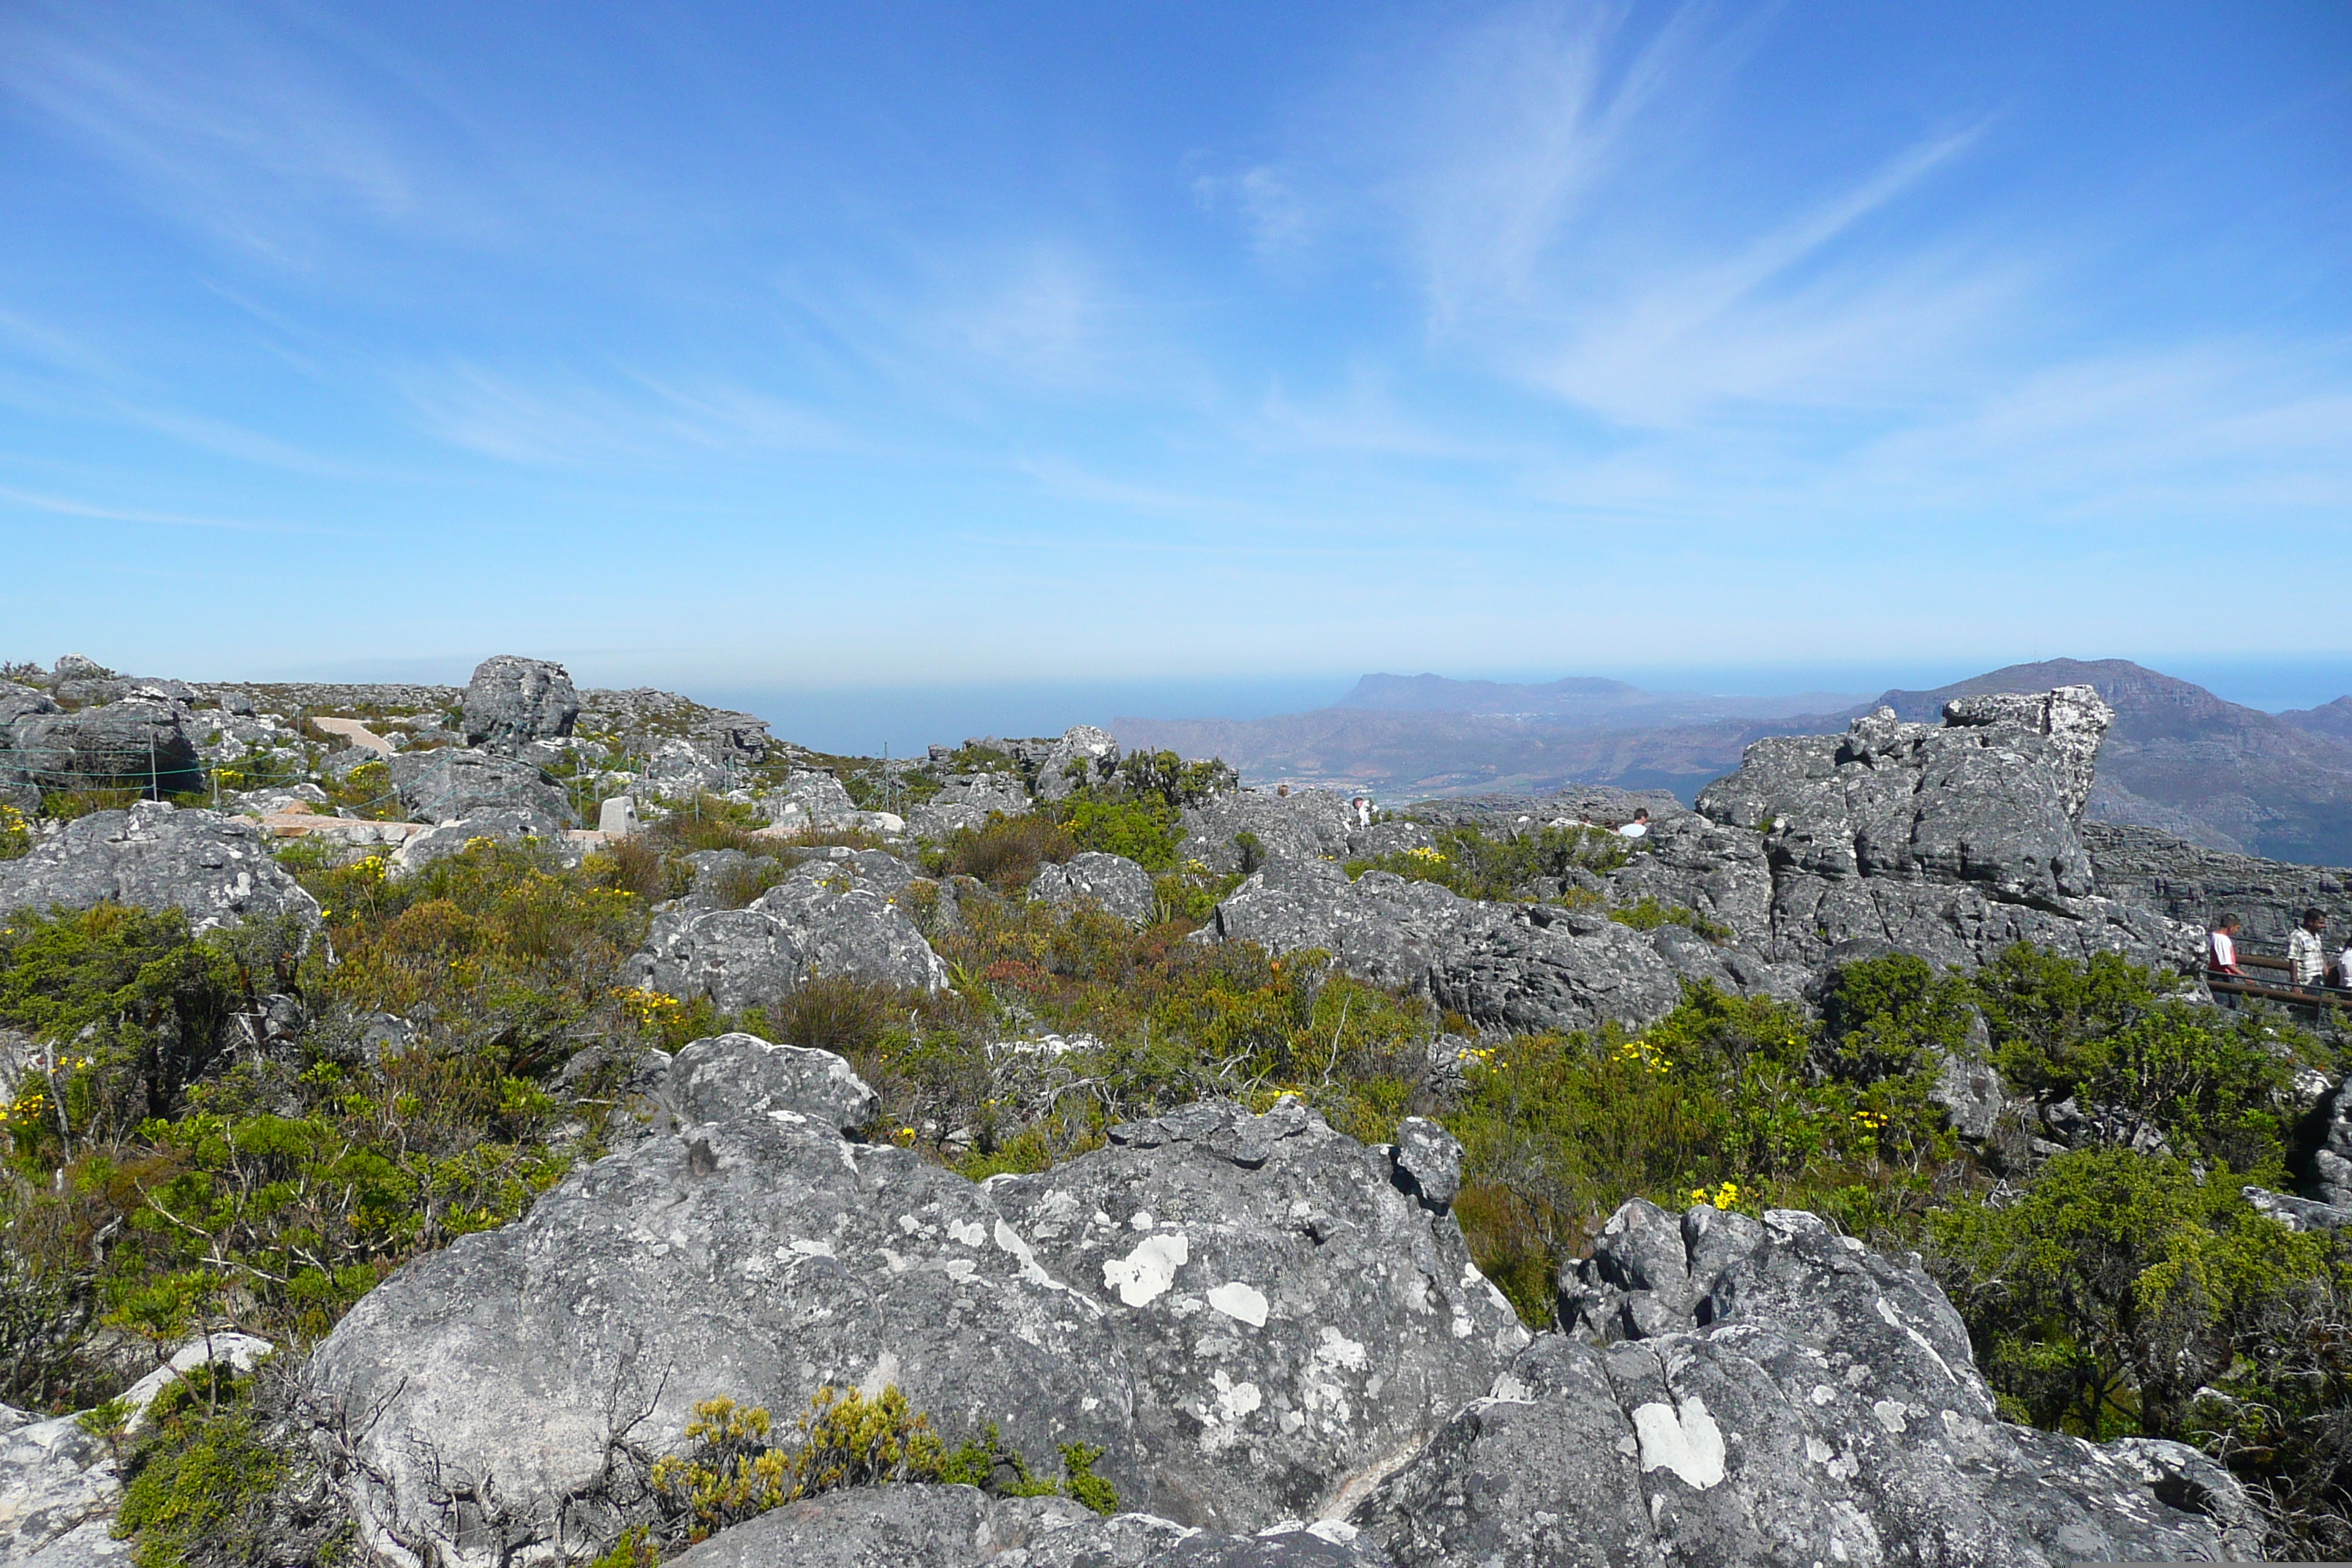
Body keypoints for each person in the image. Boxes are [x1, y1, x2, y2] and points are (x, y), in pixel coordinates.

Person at [2206, 914, 2244, 1005]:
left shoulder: (2213, 935)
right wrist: (2245, 976)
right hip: (2222, 976)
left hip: (2214, 973)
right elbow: (2226, 963)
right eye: (2237, 928)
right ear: (2230, 927)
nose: (2236, 931)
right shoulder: (2222, 940)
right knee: (2227, 1003)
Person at [2291, 907, 2329, 985]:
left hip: (2319, 978)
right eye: (2321, 923)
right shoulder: (2297, 936)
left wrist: (2327, 975)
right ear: (2311, 922)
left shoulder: (2316, 936)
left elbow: (2320, 956)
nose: (2324, 926)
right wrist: (2295, 984)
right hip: (2307, 981)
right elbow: (2293, 961)